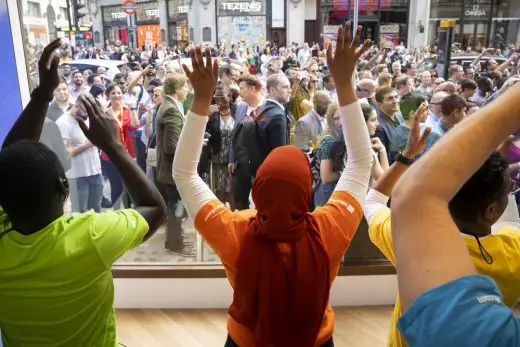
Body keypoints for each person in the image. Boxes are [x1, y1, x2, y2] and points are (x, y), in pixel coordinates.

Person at [173, 24, 372, 347]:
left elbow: (183, 173)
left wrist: (200, 100)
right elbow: (362, 162)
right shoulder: (329, 229)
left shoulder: (234, 232)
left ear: (257, 192)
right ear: (307, 193)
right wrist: (345, 83)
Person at [0, 39, 166, 346]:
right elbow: (155, 209)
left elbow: (10, 157)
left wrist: (42, 93)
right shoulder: (89, 237)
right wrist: (113, 143)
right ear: (64, 188)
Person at [368, 104, 520, 347]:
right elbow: (512, 221)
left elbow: (373, 200)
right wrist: (500, 168)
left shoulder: (412, 243)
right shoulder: (514, 250)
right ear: (491, 210)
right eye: (508, 190)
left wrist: (407, 155)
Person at [156, 74, 194, 256]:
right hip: (172, 172)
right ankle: (174, 244)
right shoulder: (171, 109)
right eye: (185, 86)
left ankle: (175, 239)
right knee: (175, 208)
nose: (187, 90)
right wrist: (193, 143)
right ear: (177, 88)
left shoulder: (168, 105)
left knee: (174, 208)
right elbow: (171, 146)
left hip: (167, 171)